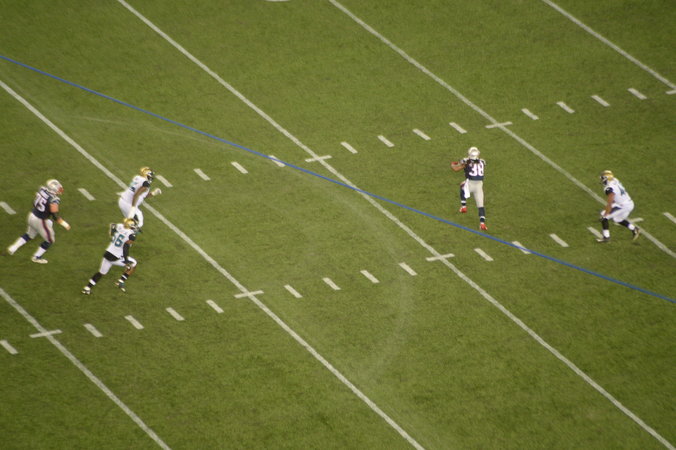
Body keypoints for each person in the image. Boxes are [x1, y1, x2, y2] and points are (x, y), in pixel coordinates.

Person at [6, 179, 71, 263]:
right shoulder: (54, 199)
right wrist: (65, 224)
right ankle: (36, 257)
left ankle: (13, 247)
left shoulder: (41, 189)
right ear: (53, 190)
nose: (60, 189)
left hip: (32, 216)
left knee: (29, 235)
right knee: (50, 240)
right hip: (40, 221)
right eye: (58, 188)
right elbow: (55, 216)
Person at [82, 218, 139, 294]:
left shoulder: (120, 226)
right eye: (134, 226)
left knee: (101, 273)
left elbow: (113, 225)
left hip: (107, 254)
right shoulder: (131, 235)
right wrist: (126, 261)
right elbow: (125, 247)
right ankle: (120, 281)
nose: (135, 227)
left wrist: (112, 234)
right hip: (115, 258)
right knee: (134, 263)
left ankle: (87, 288)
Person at [596, 170, 640, 243]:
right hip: (628, 202)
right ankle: (634, 229)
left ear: (607, 179)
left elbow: (610, 202)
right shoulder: (615, 180)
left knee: (604, 216)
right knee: (618, 219)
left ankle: (606, 237)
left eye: (603, 179)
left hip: (623, 205)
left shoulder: (609, 188)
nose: (602, 180)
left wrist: (606, 214)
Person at [451, 146, 487, 230]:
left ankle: (463, 206)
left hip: (470, 184)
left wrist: (452, 164)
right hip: (479, 185)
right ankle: (482, 224)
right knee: (481, 206)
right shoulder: (483, 162)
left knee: (462, 186)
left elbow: (456, 168)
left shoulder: (466, 161)